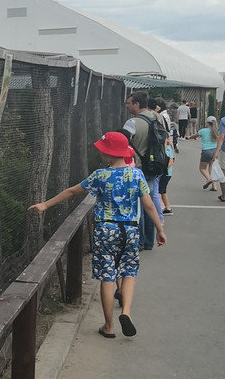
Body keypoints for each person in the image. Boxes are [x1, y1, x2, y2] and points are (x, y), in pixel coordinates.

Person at [29, 130, 166, 338]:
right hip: (130, 229)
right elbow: (148, 206)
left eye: (103, 151)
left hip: (105, 230)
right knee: (129, 273)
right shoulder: (136, 174)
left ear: (110, 153)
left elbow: (72, 191)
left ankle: (109, 326)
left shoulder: (101, 175)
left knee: (107, 277)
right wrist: (160, 229)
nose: (100, 154)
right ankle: (126, 312)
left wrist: (45, 204)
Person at [123, 91, 166, 248]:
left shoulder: (132, 123)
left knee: (139, 205)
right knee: (150, 203)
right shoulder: (157, 117)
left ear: (137, 104)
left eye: (129, 103)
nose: (127, 105)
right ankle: (149, 240)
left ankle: (139, 241)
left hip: (138, 167)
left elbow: (124, 145)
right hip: (155, 166)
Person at [198, 115, 220, 190]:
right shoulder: (217, 132)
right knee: (211, 168)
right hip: (214, 151)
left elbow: (195, 136)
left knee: (202, 168)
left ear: (207, 123)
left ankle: (209, 179)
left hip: (206, 151)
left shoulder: (203, 131)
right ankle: (214, 186)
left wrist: (189, 137)